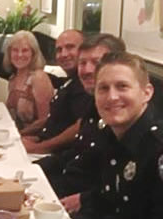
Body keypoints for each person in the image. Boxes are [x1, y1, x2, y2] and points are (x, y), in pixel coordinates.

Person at [72, 51, 163, 219]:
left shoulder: (157, 149)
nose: (112, 97)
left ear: (147, 92)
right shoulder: (114, 137)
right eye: (103, 88)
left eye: (122, 86)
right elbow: (110, 201)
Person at [40, 34, 126, 199]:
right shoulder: (94, 105)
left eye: (96, 62)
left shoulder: (121, 116)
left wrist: (84, 200)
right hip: (64, 186)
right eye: (83, 63)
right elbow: (74, 154)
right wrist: (34, 169)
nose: (87, 70)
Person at [22, 29, 91, 154]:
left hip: (58, 155)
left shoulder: (85, 85)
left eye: (70, 47)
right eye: (59, 50)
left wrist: (39, 147)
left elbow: (81, 126)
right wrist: (24, 135)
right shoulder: (70, 81)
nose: (64, 54)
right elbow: (54, 119)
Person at [3, 30, 54, 131]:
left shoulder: (39, 78)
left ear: (33, 53)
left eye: (25, 50)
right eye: (15, 50)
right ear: (9, 53)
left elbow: (45, 120)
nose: (20, 55)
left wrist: (20, 134)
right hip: (17, 132)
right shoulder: (13, 78)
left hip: (37, 136)